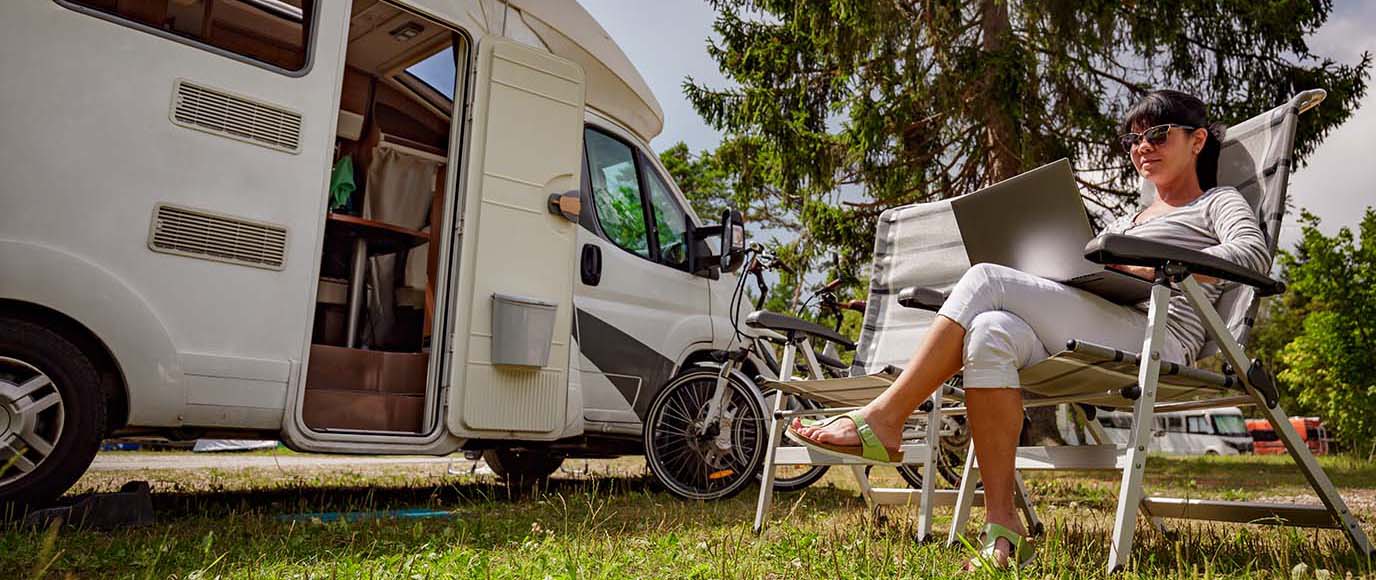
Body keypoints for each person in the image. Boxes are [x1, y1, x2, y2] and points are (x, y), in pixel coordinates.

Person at [786, 89, 1270, 569]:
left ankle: (885, 418)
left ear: (1198, 140)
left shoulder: (1216, 202)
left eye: (1159, 134)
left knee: (985, 279)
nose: (1143, 147)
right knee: (990, 332)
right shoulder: (1132, 217)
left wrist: (1156, 265)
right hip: (1107, 322)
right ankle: (1004, 526)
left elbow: (1252, 255)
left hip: (1159, 336)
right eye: (1134, 139)